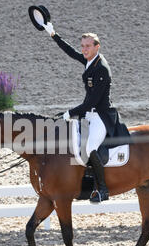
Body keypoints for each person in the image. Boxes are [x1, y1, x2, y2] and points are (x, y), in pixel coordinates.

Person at [44, 22, 116, 203]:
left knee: (90, 147)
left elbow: (91, 102)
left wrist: (69, 113)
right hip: (90, 113)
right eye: (82, 46)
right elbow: (70, 52)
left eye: (88, 46)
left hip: (101, 115)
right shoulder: (90, 60)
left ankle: (103, 190)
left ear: (96, 47)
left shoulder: (101, 69)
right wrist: (53, 34)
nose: (84, 49)